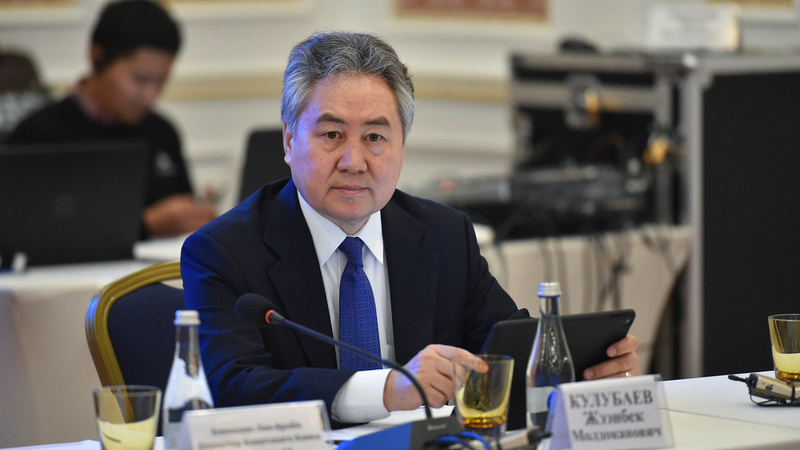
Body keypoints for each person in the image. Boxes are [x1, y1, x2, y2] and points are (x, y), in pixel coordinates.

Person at [181, 31, 640, 426]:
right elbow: (232, 387)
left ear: (401, 145)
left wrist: (582, 368)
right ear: (289, 140)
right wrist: (386, 389)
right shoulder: (224, 251)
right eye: (331, 135)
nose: (354, 161)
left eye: (375, 137)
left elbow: (507, 347)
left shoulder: (445, 235)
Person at [5, 0, 215, 237]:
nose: (151, 95)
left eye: (161, 82)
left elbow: (184, 219)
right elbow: (29, 231)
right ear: (97, 56)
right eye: (141, 79)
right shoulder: (41, 134)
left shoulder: (162, 132)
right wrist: (145, 224)